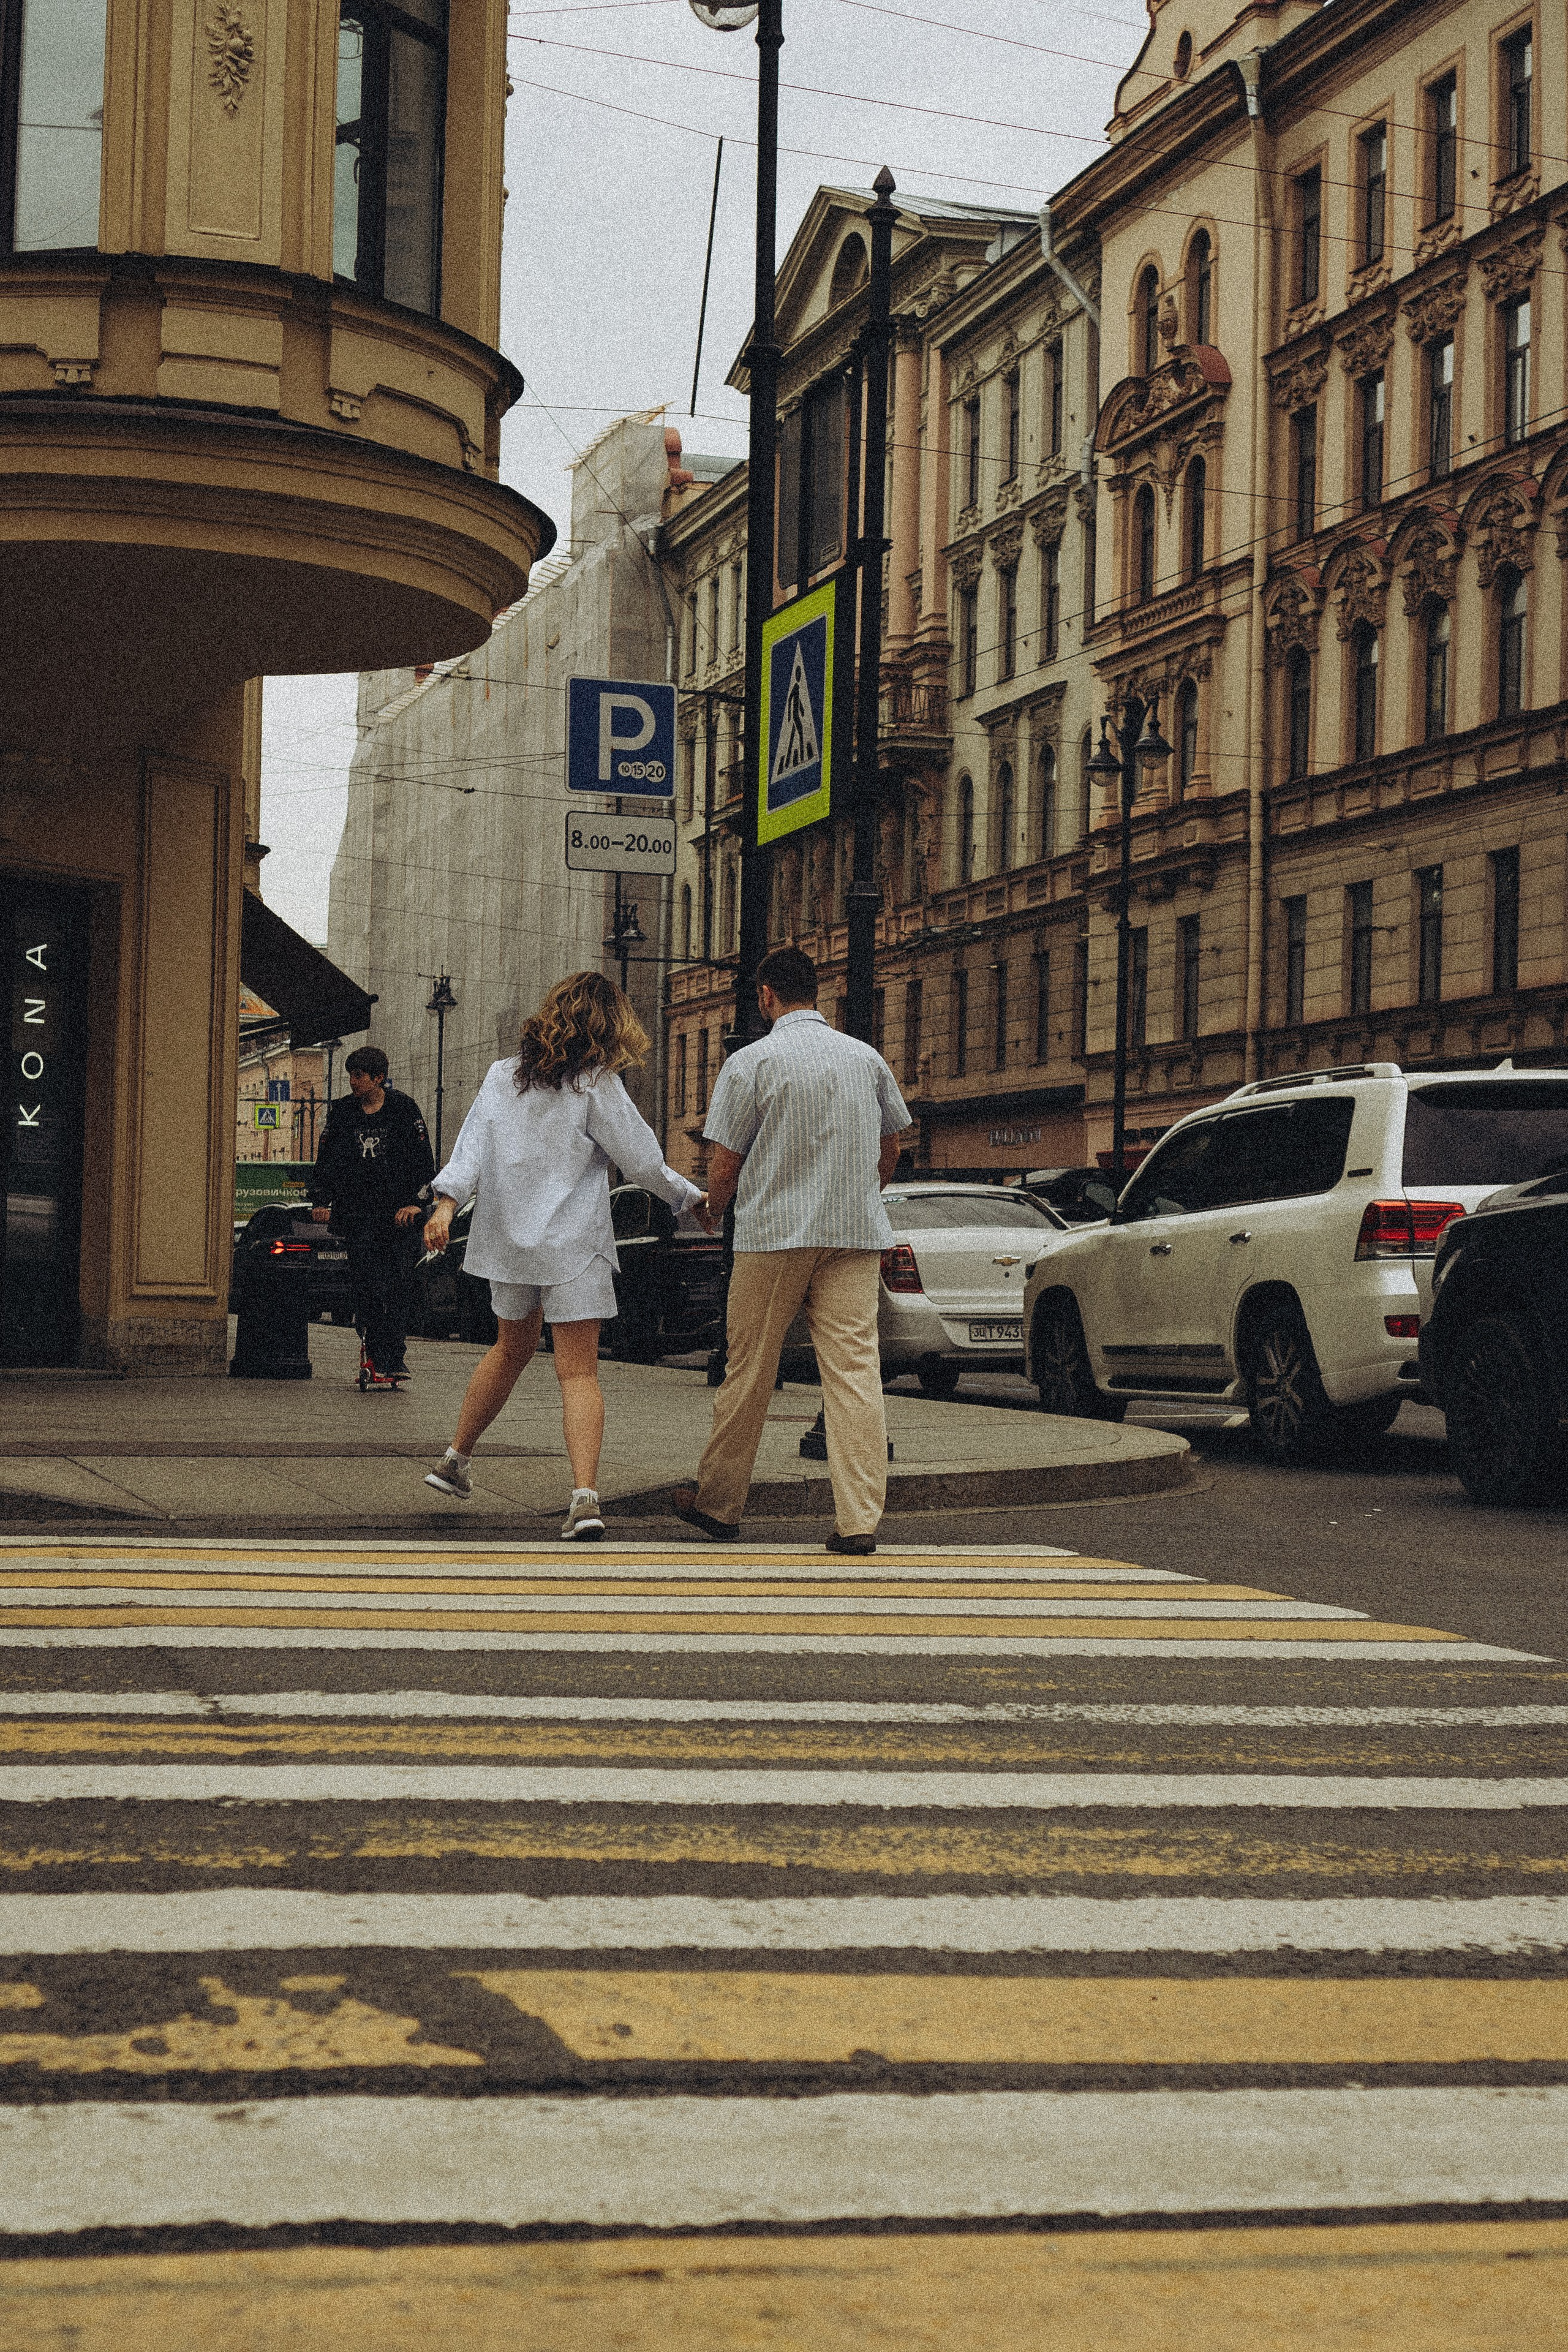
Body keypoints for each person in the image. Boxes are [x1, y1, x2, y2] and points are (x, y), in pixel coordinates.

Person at [421, 970, 704, 1539]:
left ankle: (455, 1459)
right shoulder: (595, 1084)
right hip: (573, 1246)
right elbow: (643, 1161)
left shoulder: (503, 1077)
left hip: (510, 1246)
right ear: (609, 1026)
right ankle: (584, 1500)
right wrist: (689, 1198)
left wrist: (444, 1207)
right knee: (578, 1373)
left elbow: (469, 1150)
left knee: (508, 1352)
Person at [673, 944, 911, 1556]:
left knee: (749, 1368)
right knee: (855, 1372)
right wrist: (860, 1192)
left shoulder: (752, 1062)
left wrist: (713, 1209)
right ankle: (859, 1520)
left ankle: (720, 1504)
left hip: (773, 1237)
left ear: (767, 996)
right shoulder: (865, 1059)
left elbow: (724, 1165)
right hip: (852, 1236)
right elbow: (891, 1147)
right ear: (818, 993)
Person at [309, 1046, 434, 1384]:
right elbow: (328, 1160)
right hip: (358, 1215)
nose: (353, 1082)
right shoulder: (342, 1113)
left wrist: (417, 1204)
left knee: (397, 1286)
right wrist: (322, 1199)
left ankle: (394, 1357)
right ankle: (373, 1347)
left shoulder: (403, 1109)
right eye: (351, 1075)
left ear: (379, 1078)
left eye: (359, 1076)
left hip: (398, 1217)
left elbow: (423, 1161)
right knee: (366, 1287)